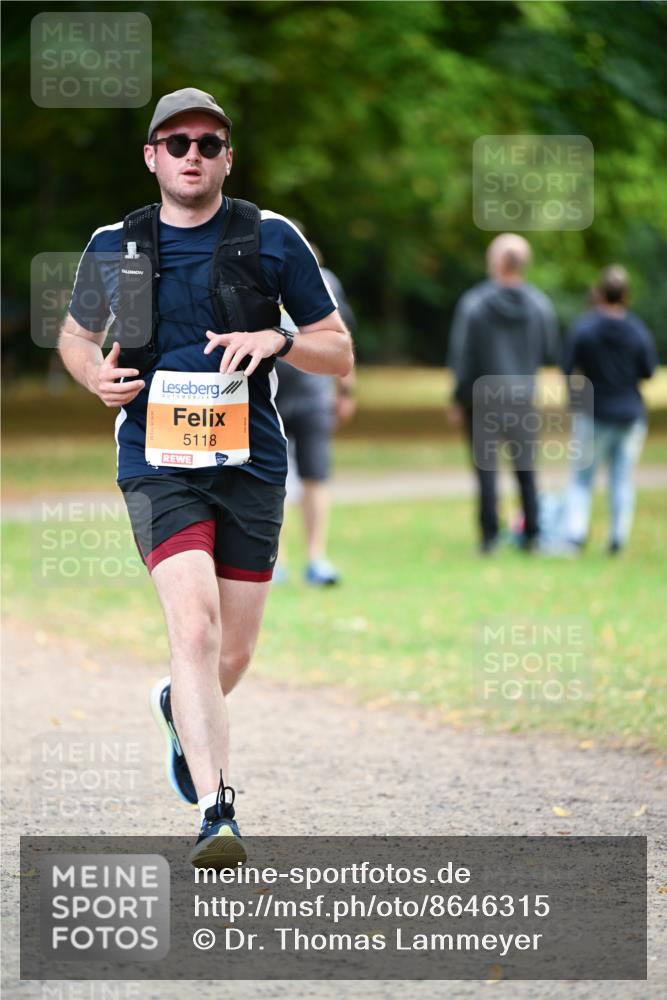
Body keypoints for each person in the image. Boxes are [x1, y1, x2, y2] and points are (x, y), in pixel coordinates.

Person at [57, 88, 354, 868]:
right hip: (156, 460)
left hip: (250, 462)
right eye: (177, 143)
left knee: (232, 654)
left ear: (228, 158)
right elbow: (76, 338)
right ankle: (217, 812)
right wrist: (93, 375)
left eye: (209, 144)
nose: (193, 155)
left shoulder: (271, 238)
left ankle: (174, 705)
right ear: (152, 156)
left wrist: (278, 340)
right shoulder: (117, 244)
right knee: (193, 629)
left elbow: (337, 350)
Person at [446, 233, 559, 553]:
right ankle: (533, 535)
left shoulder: (474, 304)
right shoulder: (539, 305)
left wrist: (458, 398)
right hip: (523, 397)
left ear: (495, 262)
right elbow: (550, 351)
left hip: (482, 399)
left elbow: (463, 356)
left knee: (486, 470)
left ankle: (489, 537)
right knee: (526, 468)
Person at [274, 248, 357, 585]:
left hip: (314, 394)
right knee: (271, 478)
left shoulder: (326, 282)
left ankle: (316, 558)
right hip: (269, 394)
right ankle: (275, 560)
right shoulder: (258, 277)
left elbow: (343, 338)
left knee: (316, 474)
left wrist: (347, 389)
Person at [562, 265, 657, 553]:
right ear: (626, 296)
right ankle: (617, 537)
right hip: (630, 415)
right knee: (621, 478)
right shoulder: (637, 330)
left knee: (582, 477)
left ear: (600, 294)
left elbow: (567, 368)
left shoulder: (585, 329)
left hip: (593, 413)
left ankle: (575, 534)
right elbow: (648, 371)